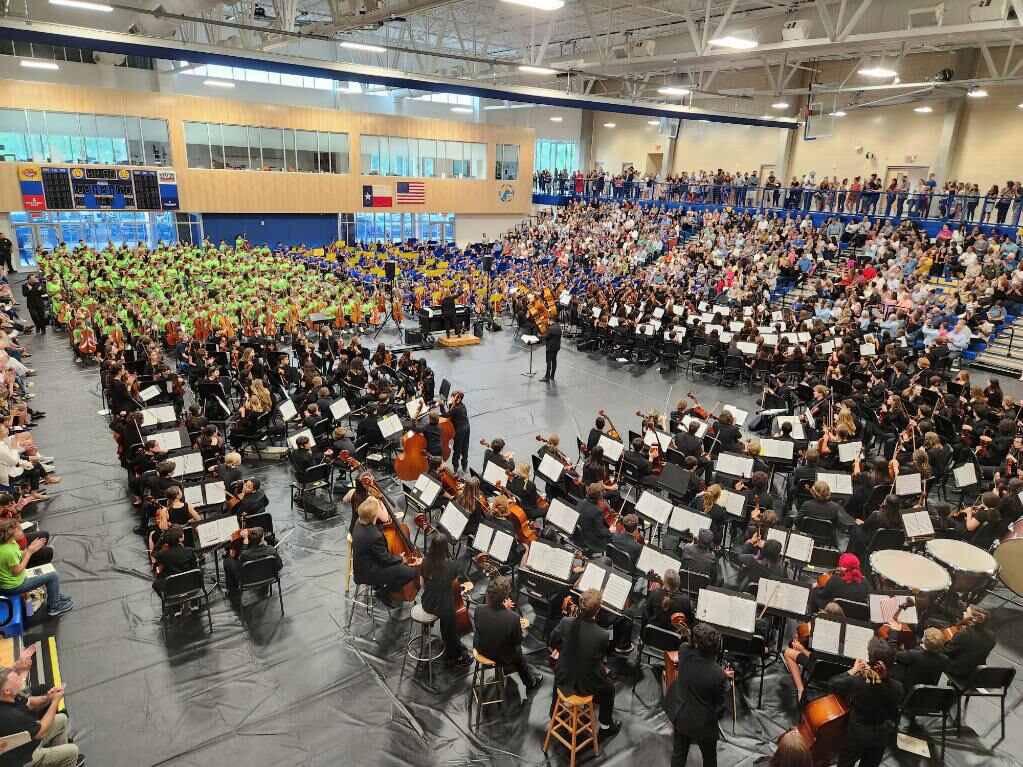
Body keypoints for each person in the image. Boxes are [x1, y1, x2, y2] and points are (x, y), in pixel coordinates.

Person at [549, 588, 620, 737]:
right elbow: (600, 658)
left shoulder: (566, 621)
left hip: (562, 677)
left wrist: (567, 651)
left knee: (563, 667)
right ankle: (606, 726)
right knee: (609, 689)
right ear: (598, 610)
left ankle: (553, 711)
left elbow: (553, 641)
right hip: (583, 686)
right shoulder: (602, 635)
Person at [664, 622, 732, 767]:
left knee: (679, 754)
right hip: (703, 725)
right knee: (709, 759)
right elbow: (719, 705)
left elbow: (692, 654)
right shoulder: (718, 674)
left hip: (681, 714)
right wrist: (725, 680)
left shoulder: (684, 651)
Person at [828, 638, 904, 767]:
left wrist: (854, 670)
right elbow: (883, 687)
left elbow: (833, 683)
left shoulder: (857, 682)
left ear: (875, 663)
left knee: (846, 762)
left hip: (857, 733)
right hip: (881, 735)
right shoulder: (898, 687)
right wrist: (881, 675)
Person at [0, 666, 79, 767]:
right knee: (72, 751)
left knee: (62, 719)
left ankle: (58, 762)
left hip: (23, 744)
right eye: (16, 679)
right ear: (7, 691)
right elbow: (41, 732)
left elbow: (30, 703)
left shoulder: (9, 697)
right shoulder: (10, 716)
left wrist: (48, 697)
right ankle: (65, 760)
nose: (20, 679)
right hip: (23, 758)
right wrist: (55, 701)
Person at [473, 576, 540, 688]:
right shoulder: (513, 618)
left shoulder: (479, 608)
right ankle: (530, 682)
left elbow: (482, 627)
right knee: (518, 652)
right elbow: (517, 641)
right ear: (505, 597)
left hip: (480, 650)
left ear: (488, 594)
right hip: (501, 657)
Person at [351, 498, 420, 607]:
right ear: (374, 515)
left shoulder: (359, 522)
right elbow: (385, 559)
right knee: (411, 573)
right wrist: (400, 558)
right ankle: (384, 593)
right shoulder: (374, 536)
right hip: (369, 573)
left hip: (361, 567)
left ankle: (384, 587)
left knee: (398, 567)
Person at [0, 519, 72, 617]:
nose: (22, 531)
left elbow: (19, 555)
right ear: (11, 533)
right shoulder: (7, 552)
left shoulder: (11, 543)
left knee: (48, 570)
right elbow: (16, 571)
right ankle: (54, 607)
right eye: (20, 530)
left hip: (18, 579)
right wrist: (29, 552)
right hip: (14, 586)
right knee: (53, 576)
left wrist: (31, 549)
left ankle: (55, 596)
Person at [420, 533, 472, 667]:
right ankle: (454, 655)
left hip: (427, 602)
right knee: (450, 621)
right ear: (445, 548)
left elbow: (422, 583)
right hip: (443, 606)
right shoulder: (451, 566)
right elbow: (454, 582)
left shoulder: (425, 560)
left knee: (448, 615)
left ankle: (450, 642)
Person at [942, 605, 995, 681]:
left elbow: (946, 652)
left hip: (958, 671)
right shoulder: (992, 636)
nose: (963, 613)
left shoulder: (965, 634)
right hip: (975, 674)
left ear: (974, 619)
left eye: (966, 612)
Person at [224, 526, 281, 595]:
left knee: (227, 561)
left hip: (248, 581)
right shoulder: (271, 549)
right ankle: (264, 587)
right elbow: (279, 566)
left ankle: (232, 589)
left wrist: (245, 543)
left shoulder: (245, 554)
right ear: (262, 539)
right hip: (269, 577)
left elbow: (240, 558)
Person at [443, 390, 470, 474]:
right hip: (467, 428)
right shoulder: (462, 406)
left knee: (457, 449)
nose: (451, 398)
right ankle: (464, 466)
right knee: (465, 448)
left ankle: (455, 468)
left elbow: (446, 415)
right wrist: (451, 403)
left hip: (460, 431)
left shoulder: (456, 409)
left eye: (452, 397)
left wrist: (441, 406)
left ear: (457, 399)